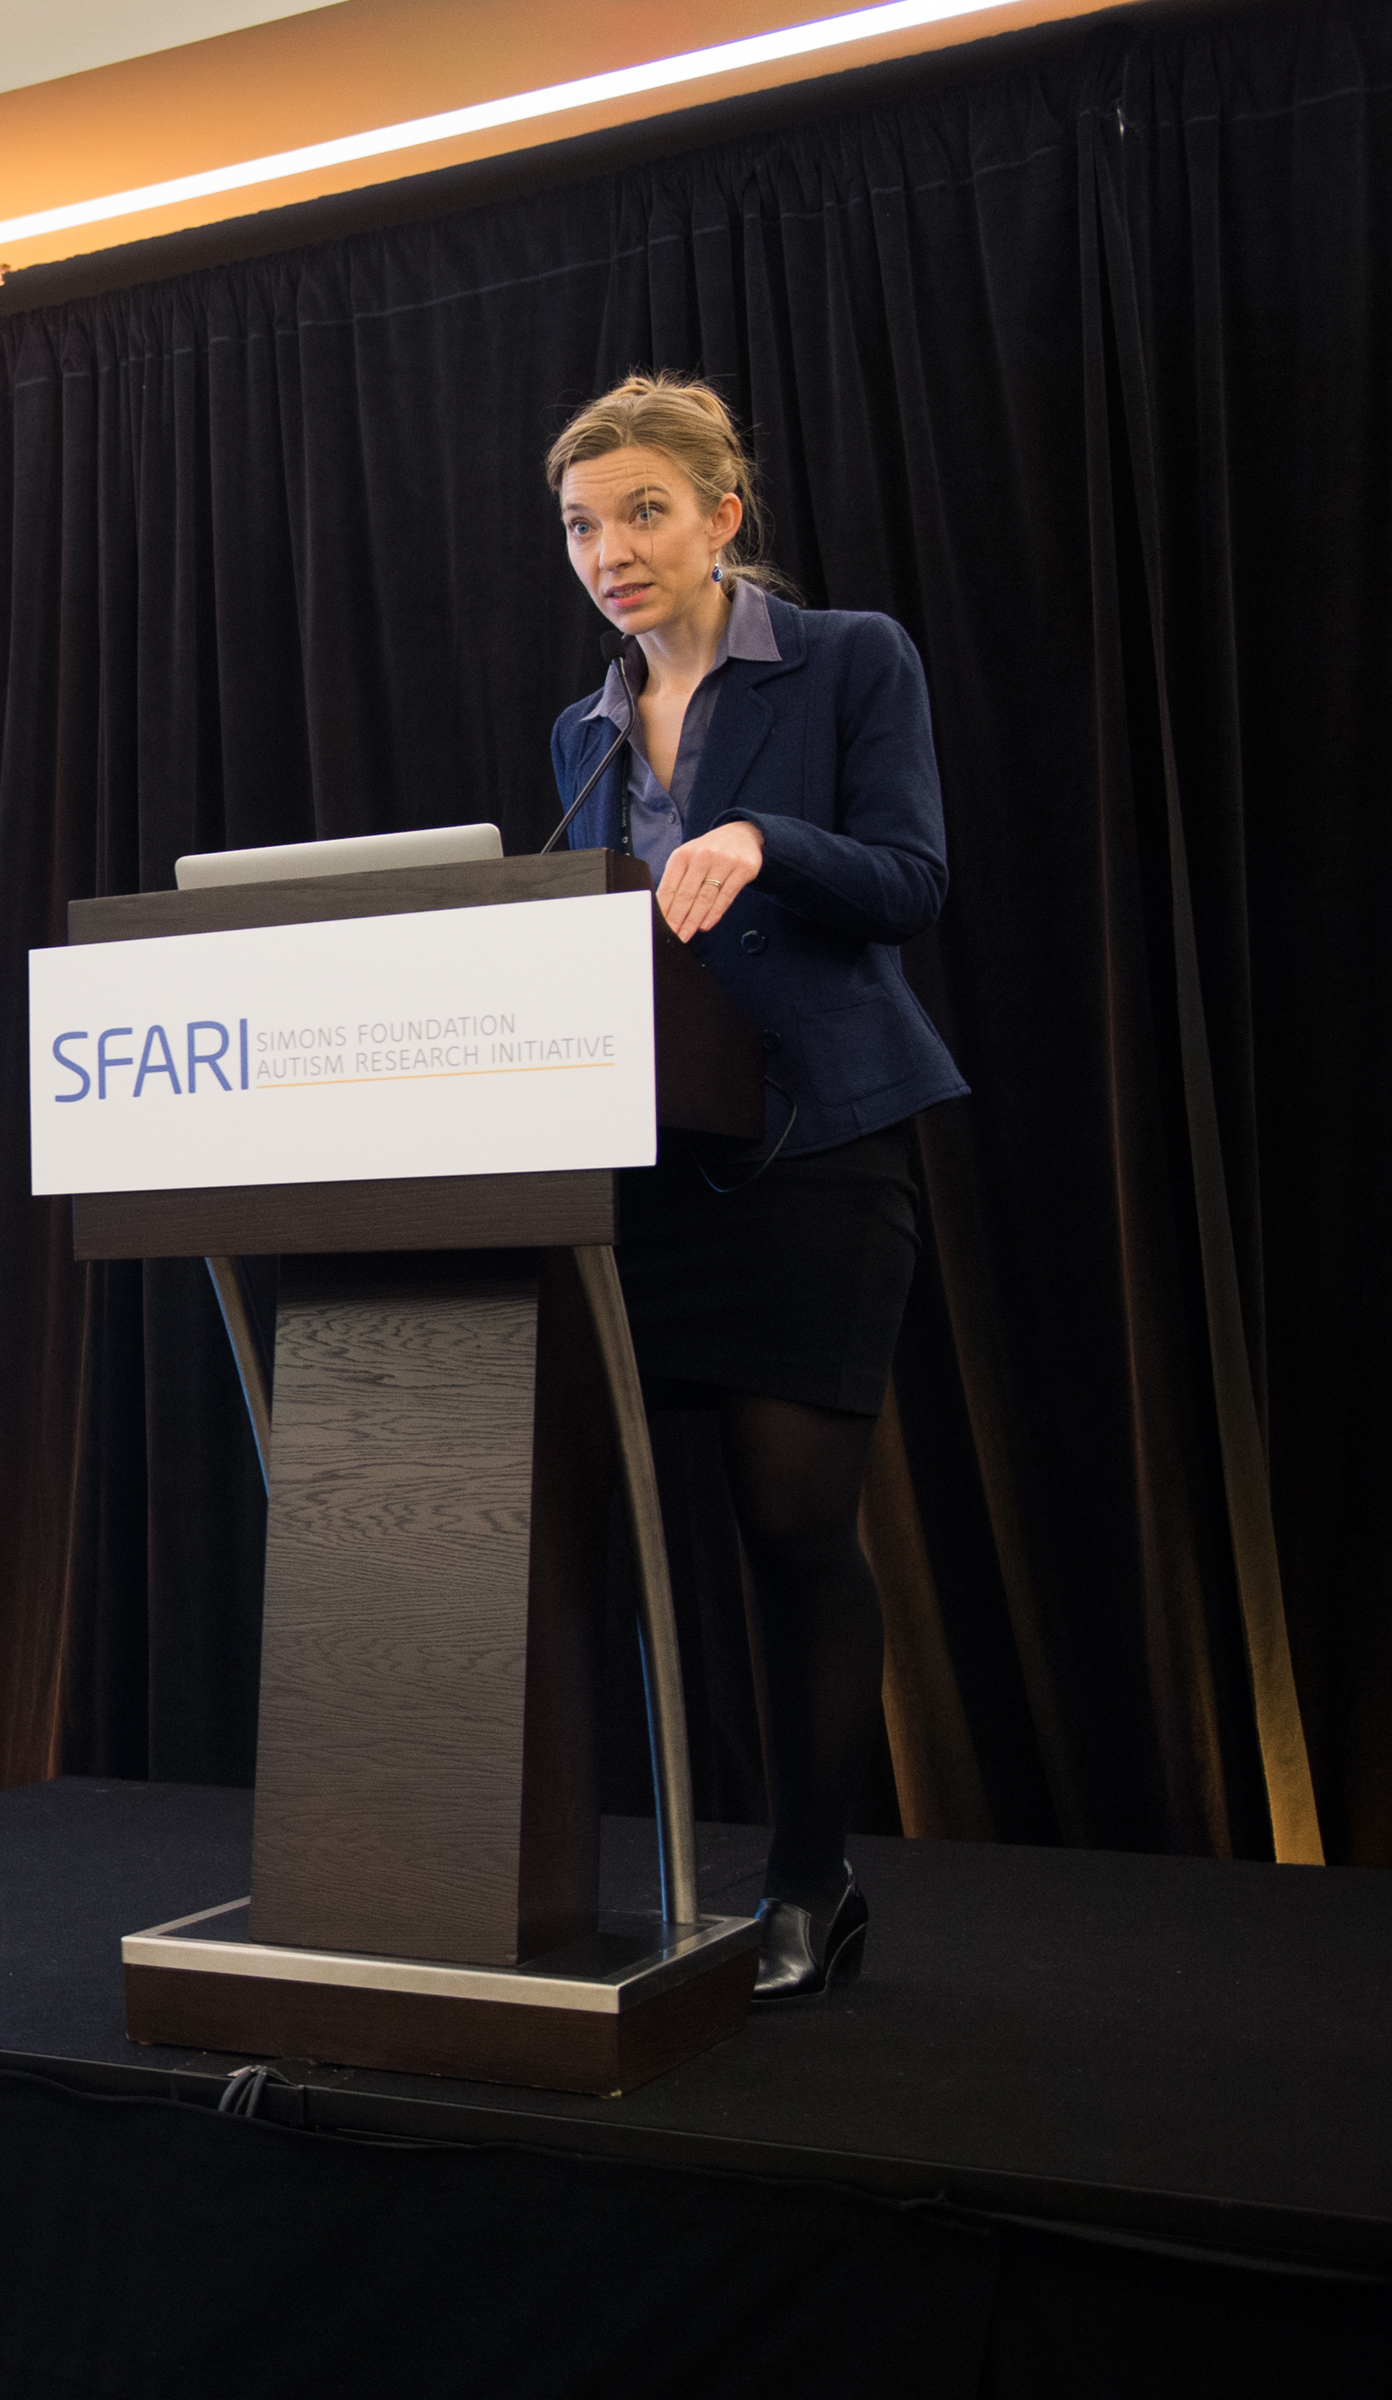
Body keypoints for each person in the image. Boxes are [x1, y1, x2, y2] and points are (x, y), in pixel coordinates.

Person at [542, 374, 967, 2002]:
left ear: (725, 515)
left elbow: (913, 882)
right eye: (584, 525)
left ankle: (812, 1884)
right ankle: (561, 1878)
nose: (612, 550)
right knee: (578, 1518)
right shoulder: (583, 727)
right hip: (640, 1167)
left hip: (815, 1149)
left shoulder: (850, 657)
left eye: (644, 511)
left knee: (792, 1527)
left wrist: (767, 839)